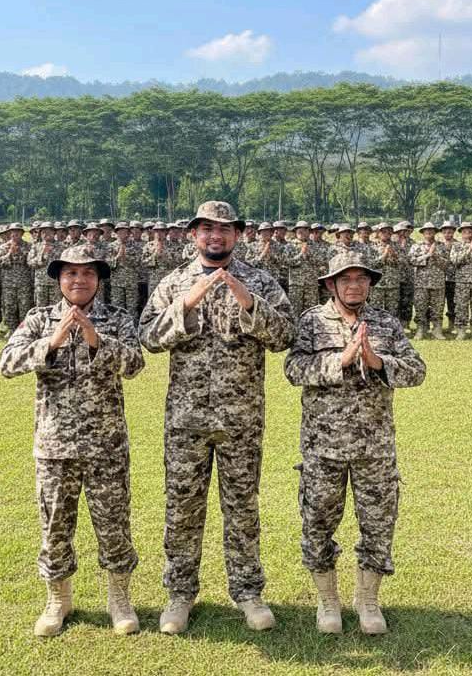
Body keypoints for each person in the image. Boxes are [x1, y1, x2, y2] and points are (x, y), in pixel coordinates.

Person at [139, 201, 295, 635]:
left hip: (241, 420)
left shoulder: (259, 281)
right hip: (185, 420)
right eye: (207, 228)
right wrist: (185, 305)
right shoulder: (174, 282)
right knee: (182, 508)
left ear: (237, 235)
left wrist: (251, 305)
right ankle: (179, 595)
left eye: (225, 229)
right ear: (194, 234)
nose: (216, 235)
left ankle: (248, 593)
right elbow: (148, 337)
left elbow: (286, 336)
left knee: (242, 507)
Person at [0, 247, 144, 637]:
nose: (79, 280)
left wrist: (97, 340)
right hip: (54, 445)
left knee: (113, 524)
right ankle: (58, 600)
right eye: (70, 273)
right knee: (54, 527)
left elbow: (135, 364)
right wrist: (52, 341)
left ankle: (119, 599)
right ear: (59, 279)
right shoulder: (39, 319)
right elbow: (6, 364)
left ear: (98, 279)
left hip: (106, 445)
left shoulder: (117, 319)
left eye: (87, 273)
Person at [284, 251, 426, 635]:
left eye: (361, 278)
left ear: (370, 284)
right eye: (345, 279)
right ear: (331, 284)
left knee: (379, 524)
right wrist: (341, 360)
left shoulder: (385, 323)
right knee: (317, 522)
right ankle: (328, 601)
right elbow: (293, 369)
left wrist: (378, 361)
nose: (354, 285)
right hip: (323, 446)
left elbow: (417, 371)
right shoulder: (312, 322)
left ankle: (367, 601)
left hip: (374, 446)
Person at [408, 222, 448, 340]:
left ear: (435, 232)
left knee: (438, 307)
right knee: (420, 307)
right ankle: (420, 329)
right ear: (423, 233)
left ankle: (437, 330)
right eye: (426, 231)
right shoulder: (416, 246)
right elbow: (411, 261)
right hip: (421, 283)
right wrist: (427, 255)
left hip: (438, 282)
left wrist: (435, 256)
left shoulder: (441, 246)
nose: (429, 232)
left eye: (431, 230)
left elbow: (447, 264)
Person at [0, 222, 34, 339]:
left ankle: (24, 330)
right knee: (9, 306)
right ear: (9, 233)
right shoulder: (4, 247)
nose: (15, 234)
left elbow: (31, 262)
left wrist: (20, 253)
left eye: (17, 232)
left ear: (21, 233)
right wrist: (9, 254)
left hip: (24, 283)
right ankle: (11, 329)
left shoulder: (28, 246)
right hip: (8, 283)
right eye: (13, 232)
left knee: (25, 307)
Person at [27, 221, 63, 308]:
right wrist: (42, 256)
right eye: (43, 232)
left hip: (55, 283)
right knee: (40, 309)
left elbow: (64, 264)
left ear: (54, 232)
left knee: (55, 309)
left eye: (49, 231)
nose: (46, 234)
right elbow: (30, 262)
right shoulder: (36, 246)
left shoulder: (61, 247)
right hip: (40, 283)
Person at [369, 222, 401, 316]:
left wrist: (394, 255)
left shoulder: (397, 246)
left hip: (393, 284)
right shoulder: (372, 246)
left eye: (389, 232)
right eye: (383, 232)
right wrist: (385, 255)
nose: (386, 234)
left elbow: (402, 264)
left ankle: (392, 325)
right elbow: (371, 264)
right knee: (376, 311)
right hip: (377, 284)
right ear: (378, 233)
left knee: (392, 311)